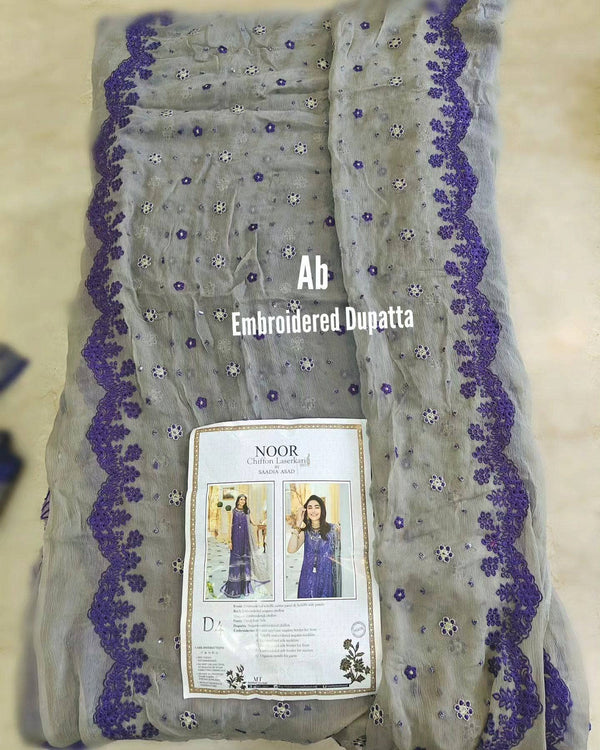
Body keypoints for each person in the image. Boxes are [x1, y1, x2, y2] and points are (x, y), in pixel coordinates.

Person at [287, 494, 341, 598]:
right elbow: (291, 549)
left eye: (317, 507)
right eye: (309, 507)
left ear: (322, 510)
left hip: (326, 580)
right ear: (306, 511)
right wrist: (298, 523)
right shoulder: (305, 532)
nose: (313, 511)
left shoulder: (333, 529)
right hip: (307, 580)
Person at [221, 493, 269, 598]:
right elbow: (230, 527)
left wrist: (262, 522)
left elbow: (253, 522)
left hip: (245, 540)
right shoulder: (233, 512)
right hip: (236, 539)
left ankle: (245, 587)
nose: (243, 501)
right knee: (236, 561)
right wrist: (230, 541)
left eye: (244, 500)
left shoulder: (247, 511)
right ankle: (235, 587)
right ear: (238, 501)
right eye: (241, 499)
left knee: (245, 560)